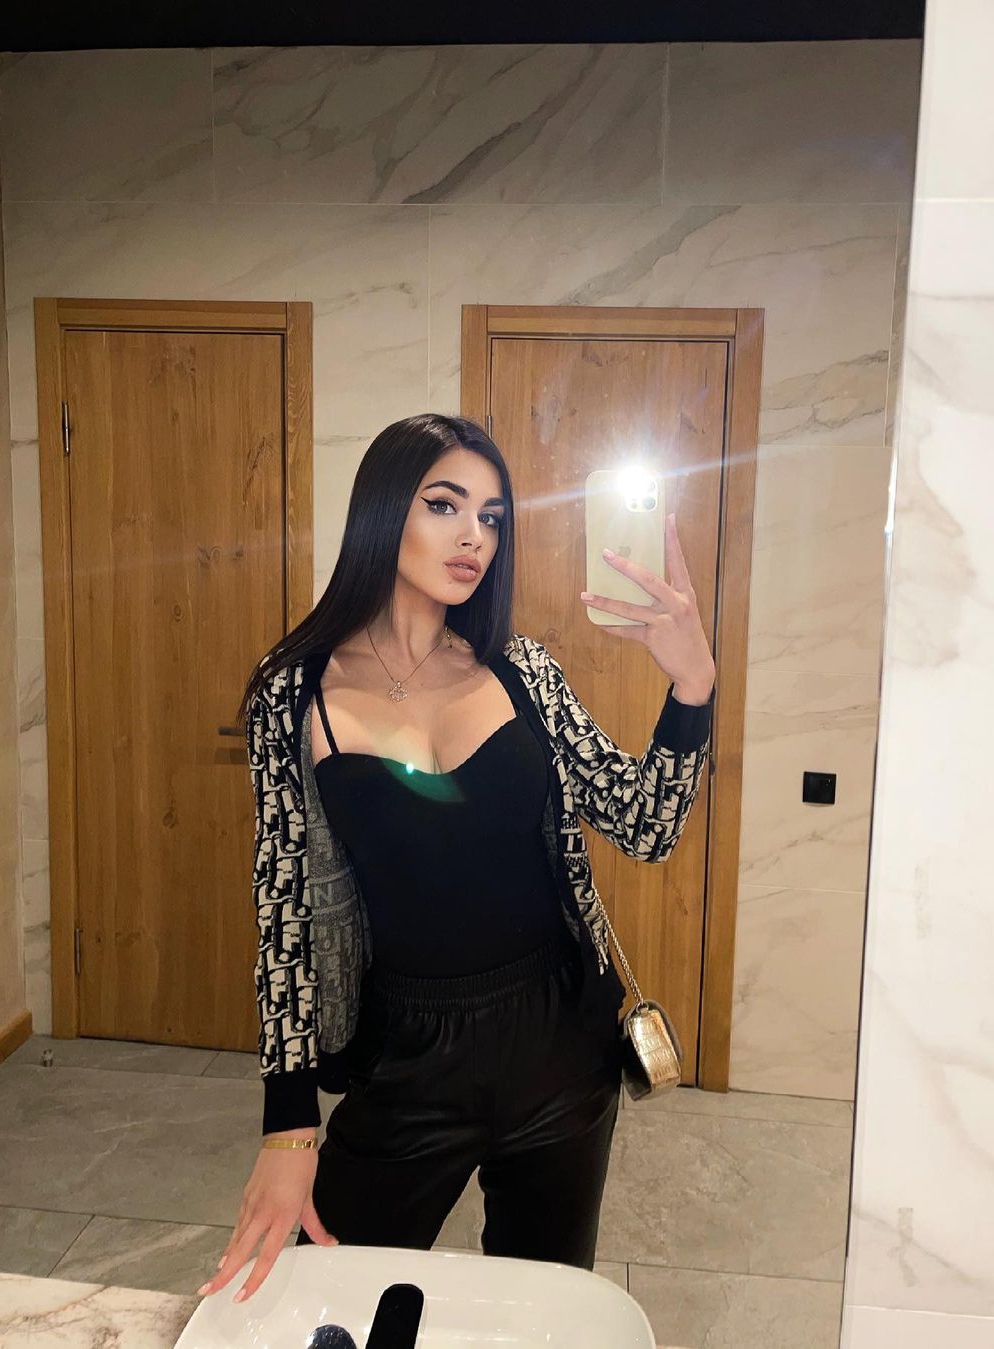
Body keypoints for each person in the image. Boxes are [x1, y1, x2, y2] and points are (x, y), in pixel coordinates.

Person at [197, 413, 716, 1305]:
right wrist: (289, 1127)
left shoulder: (521, 671)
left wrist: (691, 687)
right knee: (326, 1300)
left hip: (560, 1048)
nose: (473, 534)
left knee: (542, 1311)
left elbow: (645, 825)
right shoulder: (294, 692)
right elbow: (284, 915)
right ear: (384, 508)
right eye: (445, 505)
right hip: (408, 1056)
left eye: (492, 516)